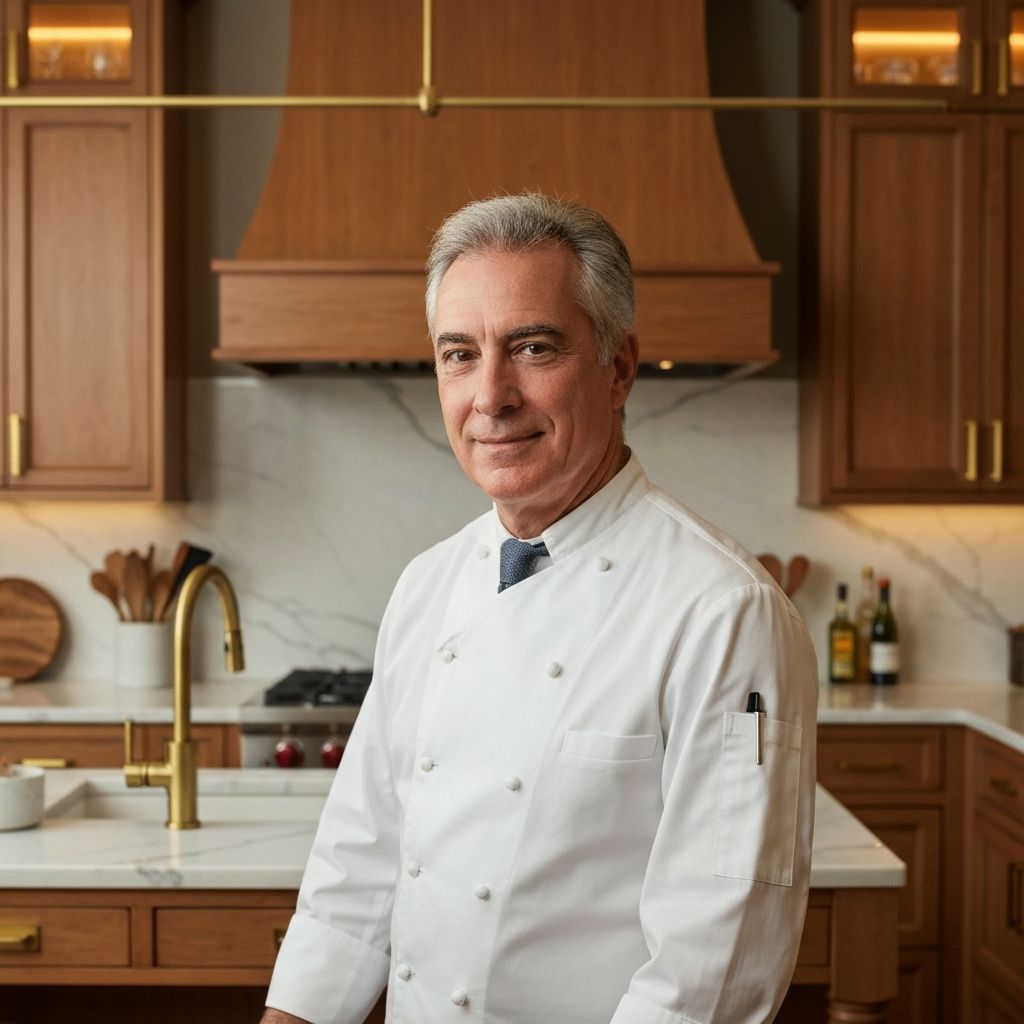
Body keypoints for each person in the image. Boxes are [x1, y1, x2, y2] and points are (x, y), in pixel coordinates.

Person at [261, 193, 818, 1024]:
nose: (491, 395)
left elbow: (712, 968)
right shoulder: (427, 584)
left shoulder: (724, 613)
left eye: (532, 347)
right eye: (459, 353)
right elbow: (359, 867)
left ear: (619, 366)